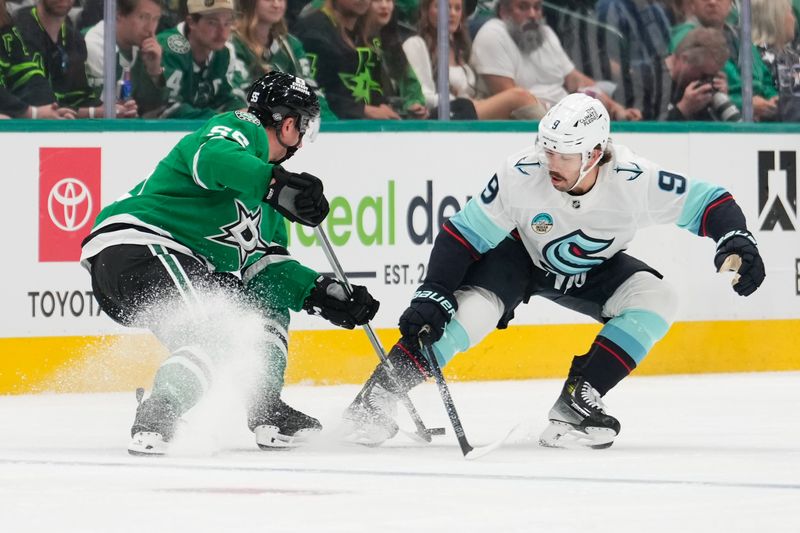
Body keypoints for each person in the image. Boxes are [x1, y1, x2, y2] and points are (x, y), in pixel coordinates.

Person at [341, 92, 765, 449]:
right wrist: (433, 291)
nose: (550, 161)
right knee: (471, 314)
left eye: (564, 153)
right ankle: (378, 395)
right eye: (547, 148)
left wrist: (736, 239)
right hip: (518, 258)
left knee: (659, 298)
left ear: (596, 153)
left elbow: (711, 201)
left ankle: (577, 401)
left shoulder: (635, 179)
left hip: (592, 267)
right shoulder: (521, 172)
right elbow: (462, 234)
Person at [80, 72, 379, 455]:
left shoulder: (269, 197)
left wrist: (323, 293)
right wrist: (275, 185)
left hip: (165, 265)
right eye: (303, 127)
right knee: (215, 336)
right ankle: (160, 413)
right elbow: (212, 158)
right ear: (288, 124)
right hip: (141, 247)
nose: (303, 139)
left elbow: (266, 271)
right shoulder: (243, 127)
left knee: (257, 310)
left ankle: (266, 408)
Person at [470, 0, 641, 120]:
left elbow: (575, 79)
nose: (532, 14)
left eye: (537, 7)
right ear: (503, 11)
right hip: (531, 120)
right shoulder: (492, 34)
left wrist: (615, 108)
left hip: (565, 113)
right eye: (523, 7)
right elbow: (510, 100)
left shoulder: (546, 33)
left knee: (605, 88)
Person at [402, 0, 545, 119]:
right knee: (518, 97)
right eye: (444, 7)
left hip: (469, 110)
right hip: (443, 113)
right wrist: (457, 101)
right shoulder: (415, 44)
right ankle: (556, 138)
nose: (452, 13)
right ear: (427, 11)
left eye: (457, 8)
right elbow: (420, 96)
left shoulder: (462, 50)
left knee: (525, 103)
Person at [14, 0, 131, 117]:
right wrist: (95, 112)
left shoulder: (73, 38)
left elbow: (79, 96)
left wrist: (114, 108)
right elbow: (37, 102)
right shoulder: (17, 31)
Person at [669, 0, 778, 121]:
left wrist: (772, 99)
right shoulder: (688, 40)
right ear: (692, 3)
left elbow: (765, 79)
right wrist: (744, 104)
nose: (712, 2)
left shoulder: (741, 36)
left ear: (731, 3)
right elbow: (702, 93)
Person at [229, 0, 337, 121]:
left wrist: (330, 125)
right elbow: (238, 100)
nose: (276, 4)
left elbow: (310, 91)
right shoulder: (230, 44)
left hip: (289, 125)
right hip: (251, 126)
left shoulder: (290, 44)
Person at [295, 0, 401, 119]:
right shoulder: (313, 30)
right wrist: (364, 110)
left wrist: (383, 106)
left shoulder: (368, 33)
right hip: (328, 128)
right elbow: (310, 91)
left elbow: (374, 86)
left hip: (367, 128)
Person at [156, 0, 245, 118]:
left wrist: (242, 113)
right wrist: (221, 119)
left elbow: (226, 98)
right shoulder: (169, 49)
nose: (222, 33)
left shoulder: (223, 53)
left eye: (227, 23)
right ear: (191, 22)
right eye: (212, 23)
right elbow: (168, 109)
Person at [84, 0, 167, 118]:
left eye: (155, 19)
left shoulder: (143, 47)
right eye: (143, 17)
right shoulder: (95, 44)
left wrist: (154, 71)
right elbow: (103, 111)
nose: (150, 28)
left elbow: (154, 109)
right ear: (119, 15)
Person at [1, 0, 74, 118]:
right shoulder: (24, 24)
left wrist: (51, 108)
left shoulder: (7, 29)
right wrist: (31, 112)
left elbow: (28, 75)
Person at [365, 0, 428, 119]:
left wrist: (414, 106)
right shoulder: (356, 45)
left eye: (389, 1)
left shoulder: (393, 46)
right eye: (377, 1)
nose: (384, 6)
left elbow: (413, 89)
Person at [663, 26, 739, 121]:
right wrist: (682, 109)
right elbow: (645, 132)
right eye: (704, 75)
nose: (706, 82)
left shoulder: (700, 92)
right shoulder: (649, 83)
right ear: (685, 59)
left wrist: (720, 102)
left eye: (713, 77)